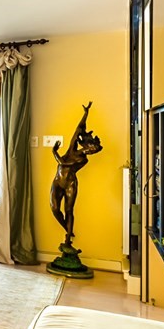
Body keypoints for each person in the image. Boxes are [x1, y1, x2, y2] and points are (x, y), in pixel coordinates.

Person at [49, 102, 103, 239]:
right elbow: (79, 129)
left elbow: (63, 163)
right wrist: (86, 114)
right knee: (54, 209)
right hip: (57, 182)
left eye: (93, 151)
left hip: (70, 185)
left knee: (69, 210)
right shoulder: (72, 149)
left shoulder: (83, 160)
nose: (92, 151)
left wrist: (54, 151)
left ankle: (68, 237)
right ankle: (68, 230)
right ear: (88, 144)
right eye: (92, 148)